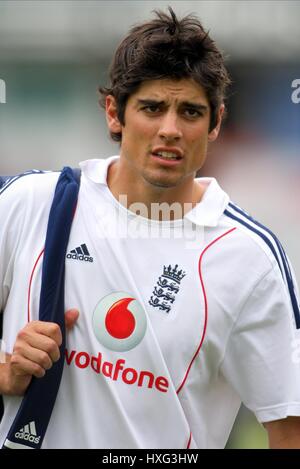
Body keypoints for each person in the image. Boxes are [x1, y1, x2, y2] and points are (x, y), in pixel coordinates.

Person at [1, 7, 300, 450]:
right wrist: (6, 372)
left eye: (191, 112)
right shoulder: (28, 203)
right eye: (152, 107)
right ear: (114, 114)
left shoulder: (250, 257)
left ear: (216, 123)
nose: (170, 130)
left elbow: (289, 426)